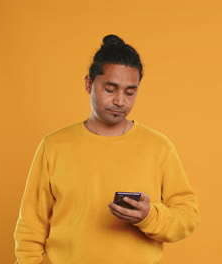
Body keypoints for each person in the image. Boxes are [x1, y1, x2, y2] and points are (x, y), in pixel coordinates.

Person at [14, 34, 200, 264]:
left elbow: (187, 217)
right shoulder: (53, 145)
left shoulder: (158, 147)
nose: (120, 101)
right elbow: (31, 226)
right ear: (88, 84)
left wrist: (149, 216)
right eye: (111, 89)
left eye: (130, 92)